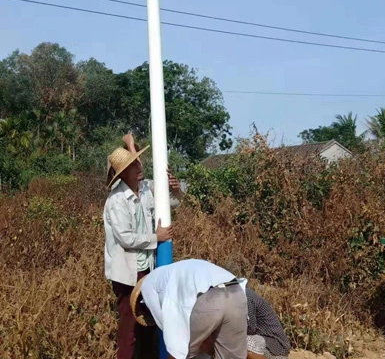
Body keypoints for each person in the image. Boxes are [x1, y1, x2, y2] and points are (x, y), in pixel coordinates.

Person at [104, 132, 181, 359]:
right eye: (134, 164)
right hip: (128, 274)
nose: (139, 167)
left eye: (139, 163)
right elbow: (126, 237)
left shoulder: (146, 189)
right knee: (130, 328)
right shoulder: (116, 201)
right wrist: (156, 237)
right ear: (123, 173)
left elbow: (172, 203)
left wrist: (175, 189)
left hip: (147, 269)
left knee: (149, 323)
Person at [130, 258, 248, 359]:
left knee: (181, 351)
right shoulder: (175, 271)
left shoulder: (148, 285)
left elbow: (169, 328)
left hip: (210, 297)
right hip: (236, 292)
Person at [198, 287, 290, 359]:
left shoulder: (246, 298)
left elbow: (248, 328)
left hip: (274, 347)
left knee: (243, 343)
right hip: (257, 343)